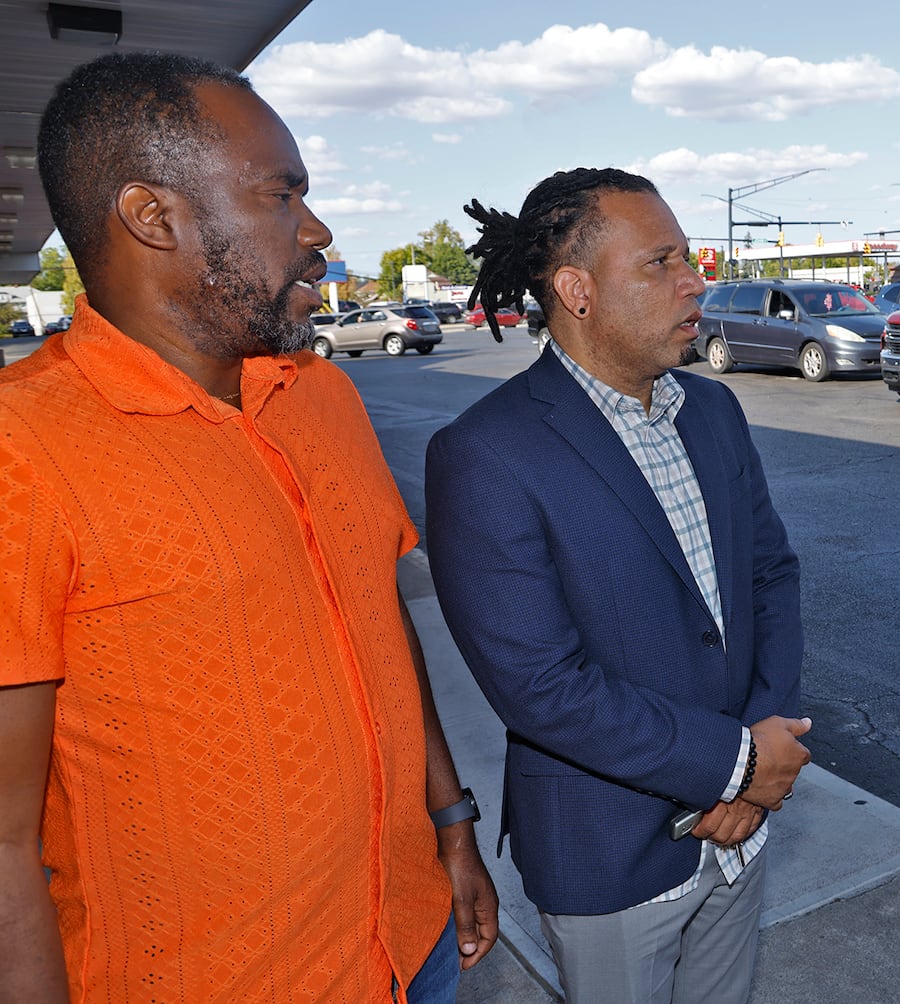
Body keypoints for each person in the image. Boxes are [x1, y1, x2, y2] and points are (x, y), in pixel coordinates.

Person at [0, 52, 497, 1002]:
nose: (318, 232)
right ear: (154, 218)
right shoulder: (20, 447)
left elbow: (382, 629)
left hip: (414, 939)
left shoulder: (325, 396)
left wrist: (452, 822)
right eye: (282, 197)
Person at [425, 168, 810, 1003]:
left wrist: (762, 753)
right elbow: (539, 685)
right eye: (660, 262)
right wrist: (738, 764)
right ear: (577, 290)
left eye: (690, 259)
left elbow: (771, 577)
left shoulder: (713, 412)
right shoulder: (486, 454)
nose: (693, 281)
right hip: (610, 854)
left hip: (741, 830)